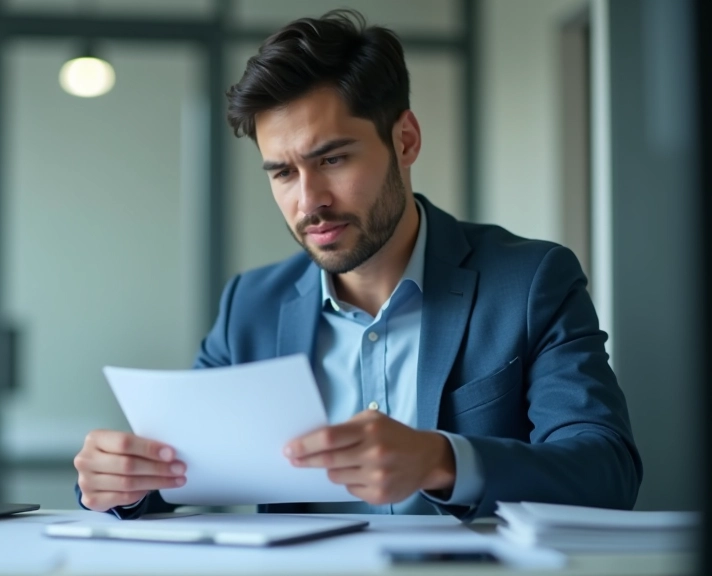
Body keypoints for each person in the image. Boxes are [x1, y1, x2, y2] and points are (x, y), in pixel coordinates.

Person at [72, 9, 641, 520]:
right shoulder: (250, 305)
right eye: (283, 173)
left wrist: (442, 460)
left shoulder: (530, 281)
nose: (309, 200)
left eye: (334, 158)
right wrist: (121, 480)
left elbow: (605, 468)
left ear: (406, 140)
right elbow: (184, 464)